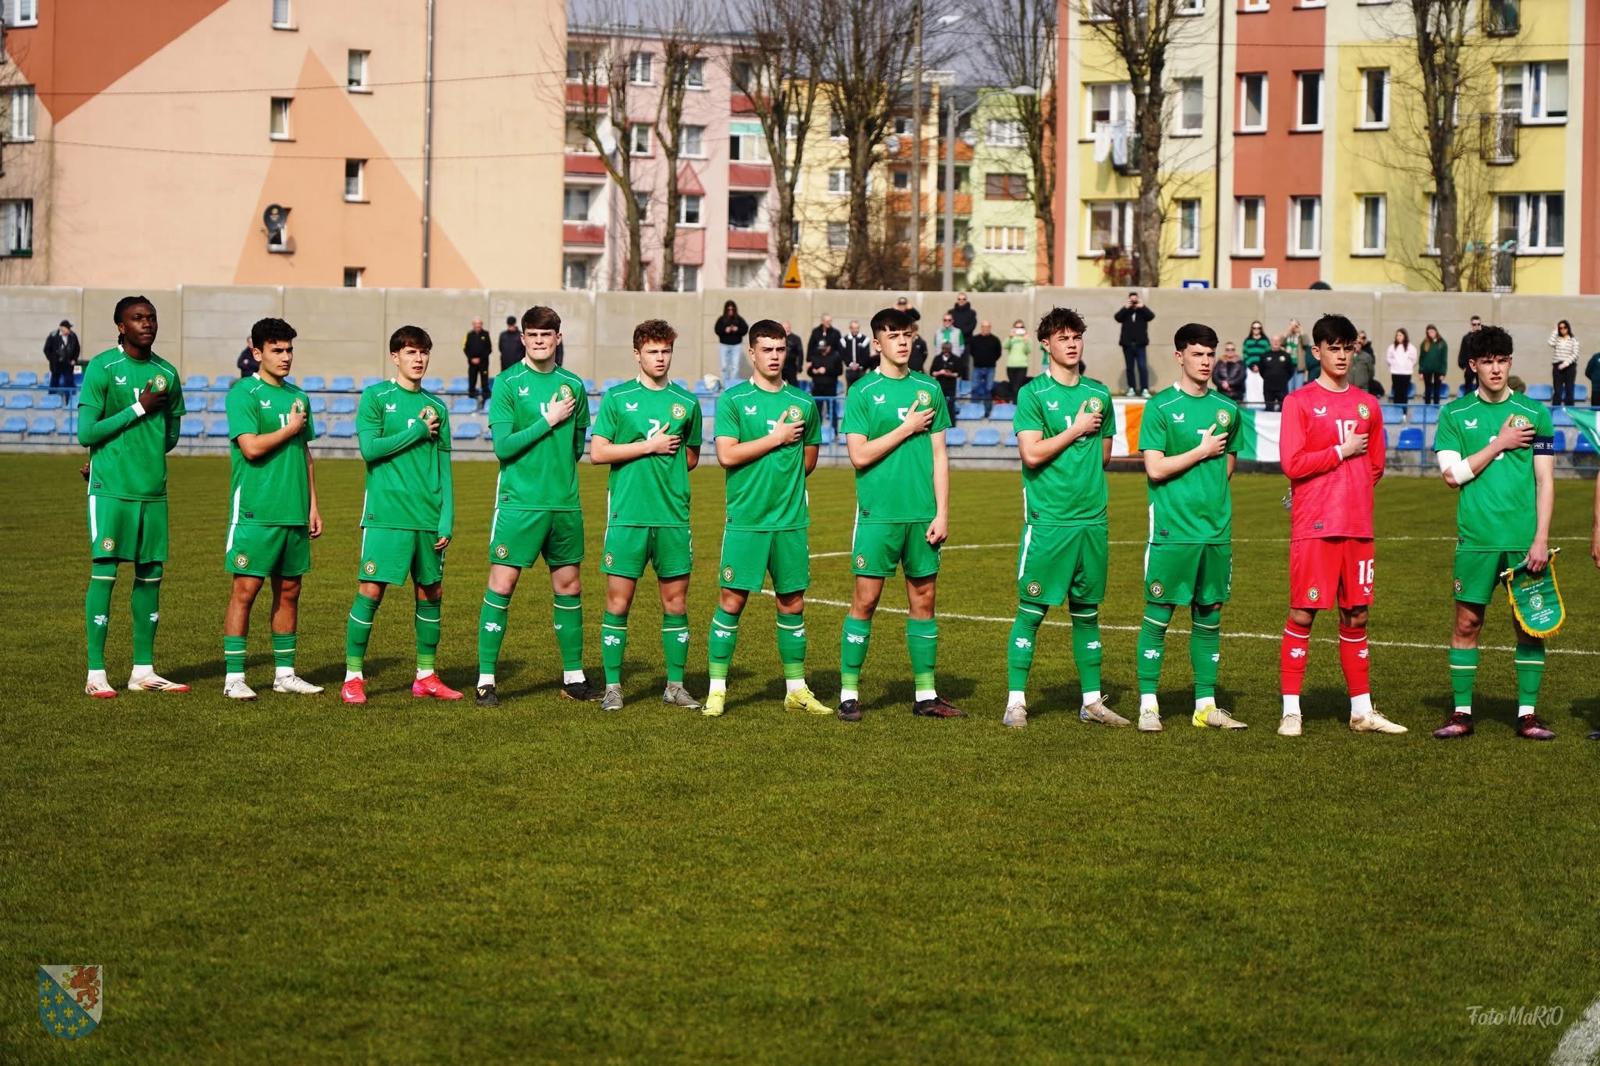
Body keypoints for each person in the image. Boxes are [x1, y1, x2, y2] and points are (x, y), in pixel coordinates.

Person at [1277, 314, 1404, 737]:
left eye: (1347, 348)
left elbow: (1376, 467)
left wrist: (1347, 489)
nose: (1342, 355)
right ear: (1316, 352)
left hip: (1357, 527)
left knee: (1357, 616)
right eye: (1333, 347)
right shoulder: (1298, 402)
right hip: (1315, 526)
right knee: (1303, 612)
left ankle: (1362, 711)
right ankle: (1291, 710)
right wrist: (1340, 452)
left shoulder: (1368, 405)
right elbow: (1292, 464)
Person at [1431, 326, 1557, 740]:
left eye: (1503, 360)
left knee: (1530, 626)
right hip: (1477, 540)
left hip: (1523, 541)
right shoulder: (1453, 415)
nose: (1496, 368)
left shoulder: (1535, 414)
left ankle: (1527, 714)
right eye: (1488, 361)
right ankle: (1462, 712)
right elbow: (1452, 476)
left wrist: (1541, 538)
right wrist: (1500, 442)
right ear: (1473, 365)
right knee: (1467, 624)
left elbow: (1545, 480)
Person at [836, 306, 959, 721]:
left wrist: (942, 513)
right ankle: (849, 693)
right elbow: (858, 455)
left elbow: (940, 455)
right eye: (893, 335)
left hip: (921, 514)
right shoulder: (862, 393)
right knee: (865, 601)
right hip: (878, 515)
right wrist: (906, 427)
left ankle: (926, 694)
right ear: (877, 343)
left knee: (924, 601)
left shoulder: (929, 390)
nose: (903, 342)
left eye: (907, 334)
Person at [702, 320, 829, 718]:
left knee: (792, 602)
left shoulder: (804, 403)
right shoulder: (734, 400)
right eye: (767, 349)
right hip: (747, 519)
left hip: (790, 520)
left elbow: (808, 461)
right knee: (732, 600)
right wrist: (775, 439)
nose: (774, 356)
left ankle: (796, 688)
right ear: (751, 354)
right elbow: (727, 455)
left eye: (780, 349)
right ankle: (717, 689)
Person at [475, 305, 598, 707]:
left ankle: (574, 676)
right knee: (502, 585)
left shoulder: (573, 386)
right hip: (519, 504)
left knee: (570, 586)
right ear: (523, 338)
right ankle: (487, 680)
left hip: (563, 504)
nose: (540, 340)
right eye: (533, 335)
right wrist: (546, 421)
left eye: (548, 335)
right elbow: (503, 447)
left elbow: (578, 445)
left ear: (558, 339)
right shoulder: (508, 383)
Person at [1002, 307, 1120, 729]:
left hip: (1092, 519)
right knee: (1032, 610)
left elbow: (1104, 456)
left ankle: (1091, 701)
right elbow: (1031, 453)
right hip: (1049, 520)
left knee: (1087, 613)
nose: (1072, 344)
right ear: (1046, 345)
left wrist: (1086, 432)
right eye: (1063, 338)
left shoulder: (1100, 394)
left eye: (1077, 337)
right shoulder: (1032, 395)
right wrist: (1076, 429)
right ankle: (1016, 701)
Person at [77, 295, 189, 697]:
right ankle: (96, 673)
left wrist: (144, 449)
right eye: (137, 318)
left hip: (152, 492)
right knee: (105, 573)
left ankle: (143, 670)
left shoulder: (167, 373)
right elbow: (86, 433)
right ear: (121, 326)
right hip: (111, 491)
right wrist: (139, 410)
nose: (147, 323)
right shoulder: (102, 367)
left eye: (151, 317)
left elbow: (171, 436)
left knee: (150, 578)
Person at [1135, 323, 1245, 731]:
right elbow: (1155, 467)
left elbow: (1228, 468)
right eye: (1197, 354)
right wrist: (1200, 452)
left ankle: (1205, 704)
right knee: (1159, 613)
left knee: (1209, 614)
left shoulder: (1228, 410)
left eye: (1209, 354)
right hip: (1172, 530)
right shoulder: (1160, 407)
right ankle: (1149, 704)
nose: (1205, 361)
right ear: (1179, 356)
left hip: (1215, 531)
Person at [589, 319, 702, 711]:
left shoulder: (688, 403)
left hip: (672, 516)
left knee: (676, 602)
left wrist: (666, 472)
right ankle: (614, 688)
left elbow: (691, 456)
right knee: (618, 602)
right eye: (653, 351)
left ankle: (674, 686)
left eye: (666, 350)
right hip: (628, 516)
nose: (660, 357)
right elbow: (598, 452)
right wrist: (648, 447)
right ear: (637, 353)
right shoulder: (618, 399)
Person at [342, 326, 458, 704]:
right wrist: (417, 430)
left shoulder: (438, 407)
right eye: (411, 352)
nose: (419, 359)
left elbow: (444, 466)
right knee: (371, 591)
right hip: (387, 515)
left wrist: (447, 517)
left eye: (423, 352)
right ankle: (353, 677)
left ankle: (426, 674)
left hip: (427, 516)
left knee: (431, 593)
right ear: (395, 356)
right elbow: (370, 450)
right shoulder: (376, 397)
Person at [221, 317, 324, 700]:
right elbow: (250, 447)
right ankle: (234, 677)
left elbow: (306, 454)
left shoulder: (299, 397)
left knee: (290, 591)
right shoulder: (243, 393)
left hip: (293, 510)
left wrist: (312, 504)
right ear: (257, 352)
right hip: (256, 510)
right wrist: (290, 428)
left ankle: (285, 674)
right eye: (277, 350)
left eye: (289, 350)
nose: (285, 357)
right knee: (245, 590)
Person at [1113, 291, 1155, 397]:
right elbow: (1117, 317)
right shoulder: (1126, 312)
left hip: (1140, 344)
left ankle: (1144, 389)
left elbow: (1151, 316)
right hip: (1127, 344)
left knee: (1142, 367)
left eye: (1135, 300)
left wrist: (1143, 306)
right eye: (1131, 300)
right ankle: (1131, 388)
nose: (1133, 302)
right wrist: (1125, 307)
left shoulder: (1142, 312)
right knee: (1129, 367)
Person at [806, 337, 845, 431]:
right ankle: (816, 433)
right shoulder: (815, 355)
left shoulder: (835, 356)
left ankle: (835, 432)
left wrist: (826, 370)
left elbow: (839, 371)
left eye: (824, 348)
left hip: (830, 387)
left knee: (832, 411)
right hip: (817, 387)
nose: (822, 350)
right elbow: (809, 371)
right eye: (821, 348)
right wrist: (813, 371)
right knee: (816, 411)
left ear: (829, 347)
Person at [968, 321, 1002, 417]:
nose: (985, 328)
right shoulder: (975, 339)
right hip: (977, 367)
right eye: (983, 327)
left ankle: (987, 412)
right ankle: (974, 411)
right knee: (974, 388)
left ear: (990, 327)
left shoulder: (995, 340)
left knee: (989, 389)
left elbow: (998, 353)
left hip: (990, 368)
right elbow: (972, 352)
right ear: (981, 327)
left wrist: (990, 360)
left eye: (987, 327)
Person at [714, 300, 749, 387]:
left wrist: (737, 329)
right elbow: (717, 330)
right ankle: (725, 386)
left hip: (736, 346)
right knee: (724, 367)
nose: (730, 311)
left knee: (735, 366)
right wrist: (725, 330)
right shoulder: (721, 319)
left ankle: (732, 385)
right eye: (729, 309)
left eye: (732, 309)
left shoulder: (739, 319)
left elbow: (745, 329)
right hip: (724, 345)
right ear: (726, 310)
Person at [1258, 335, 1295, 412]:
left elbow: (1291, 370)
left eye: (1277, 340)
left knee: (1283, 410)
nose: (1275, 342)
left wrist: (1283, 379)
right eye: (1273, 340)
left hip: (1282, 388)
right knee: (1269, 409)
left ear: (1280, 342)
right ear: (1270, 342)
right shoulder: (1264, 355)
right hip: (1268, 388)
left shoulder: (1286, 355)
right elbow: (1261, 370)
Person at [44, 320, 80, 398]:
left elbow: (77, 349)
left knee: (69, 382)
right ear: (62, 328)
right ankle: (52, 399)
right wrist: (52, 359)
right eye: (68, 328)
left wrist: (74, 359)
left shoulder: (73, 336)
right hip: (56, 364)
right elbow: (46, 349)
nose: (69, 329)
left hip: (68, 364)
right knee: (54, 382)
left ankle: (70, 400)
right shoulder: (53, 336)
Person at [463, 317, 493, 409]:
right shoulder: (469, 334)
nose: (478, 326)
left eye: (479, 324)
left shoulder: (486, 334)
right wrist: (471, 358)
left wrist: (480, 358)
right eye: (476, 324)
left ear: (481, 325)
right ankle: (471, 400)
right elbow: (465, 348)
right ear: (473, 325)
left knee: (484, 383)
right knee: (472, 381)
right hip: (472, 364)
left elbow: (489, 349)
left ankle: (486, 400)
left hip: (483, 363)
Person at [930, 340, 962, 423]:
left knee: (951, 405)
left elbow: (959, 374)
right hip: (940, 385)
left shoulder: (956, 359)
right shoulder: (937, 358)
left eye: (948, 349)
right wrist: (940, 372)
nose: (946, 352)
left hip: (951, 386)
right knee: (939, 405)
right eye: (945, 349)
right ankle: (939, 423)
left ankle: (952, 423)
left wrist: (950, 374)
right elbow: (932, 372)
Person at [1549, 319, 1579, 407]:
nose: (1562, 329)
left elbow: (1575, 354)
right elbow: (1550, 343)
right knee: (1557, 390)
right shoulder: (1557, 339)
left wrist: (1566, 363)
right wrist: (1555, 332)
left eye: (1564, 327)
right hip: (1557, 366)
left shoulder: (1573, 340)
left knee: (1569, 389)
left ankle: (1570, 412)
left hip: (1569, 366)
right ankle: (1555, 411)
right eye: (1560, 328)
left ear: (1568, 328)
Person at [1419, 324, 1449, 405]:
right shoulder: (1425, 343)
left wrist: (1443, 372)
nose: (1431, 334)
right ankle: (1427, 406)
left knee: (1437, 389)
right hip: (1426, 370)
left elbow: (1444, 359)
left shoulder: (1442, 343)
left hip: (1438, 370)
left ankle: (1436, 406)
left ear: (1436, 332)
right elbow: (1421, 358)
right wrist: (1421, 371)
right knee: (1427, 389)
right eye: (1429, 332)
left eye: (1432, 332)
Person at [1386, 328, 1417, 405]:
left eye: (1400, 335)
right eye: (1397, 335)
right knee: (1397, 392)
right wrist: (1394, 363)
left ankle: (1404, 412)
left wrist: (1408, 365)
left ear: (1404, 336)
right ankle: (1396, 411)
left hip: (1406, 373)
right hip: (1395, 372)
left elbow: (1414, 359)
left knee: (1404, 392)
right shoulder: (1392, 347)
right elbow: (1388, 358)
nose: (1399, 337)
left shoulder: (1411, 347)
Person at [841, 320, 874, 391]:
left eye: (857, 328)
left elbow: (866, 355)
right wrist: (850, 364)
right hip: (849, 370)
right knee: (850, 390)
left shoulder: (865, 339)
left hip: (861, 370)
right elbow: (843, 355)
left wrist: (859, 364)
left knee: (862, 389)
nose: (855, 330)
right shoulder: (844, 340)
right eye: (853, 328)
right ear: (850, 328)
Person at [1003, 319, 1032, 400]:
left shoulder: (1027, 338)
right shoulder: (1011, 338)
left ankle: (1017, 405)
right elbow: (1005, 346)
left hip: (1022, 366)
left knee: (1018, 387)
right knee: (1013, 387)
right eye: (1017, 327)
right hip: (1010, 365)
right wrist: (1010, 337)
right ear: (1014, 328)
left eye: (1021, 327)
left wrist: (1026, 341)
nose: (1019, 329)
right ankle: (1014, 405)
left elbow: (1028, 350)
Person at [1459, 314, 1482, 393]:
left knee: (1481, 388)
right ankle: (1468, 404)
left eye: (1478, 324)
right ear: (1471, 325)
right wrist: (1463, 365)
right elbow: (1462, 352)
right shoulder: (1466, 338)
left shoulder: (1484, 337)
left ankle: (1480, 405)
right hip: (1469, 366)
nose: (1476, 326)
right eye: (1474, 324)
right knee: (1468, 388)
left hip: (1480, 365)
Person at [1284, 318, 1309, 388]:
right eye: (1291, 325)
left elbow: (1306, 343)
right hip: (1288, 367)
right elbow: (1281, 342)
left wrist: (1301, 330)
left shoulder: (1301, 337)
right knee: (1289, 389)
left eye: (1295, 325)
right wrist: (1288, 330)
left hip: (1299, 367)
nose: (1293, 328)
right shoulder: (1287, 336)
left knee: (1298, 389)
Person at [781, 321, 803, 385]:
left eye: (787, 327)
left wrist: (800, 366)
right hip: (780, 366)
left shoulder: (796, 338)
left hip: (791, 365)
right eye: (784, 328)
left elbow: (800, 353)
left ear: (790, 328)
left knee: (793, 385)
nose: (786, 329)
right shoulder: (778, 338)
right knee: (779, 385)